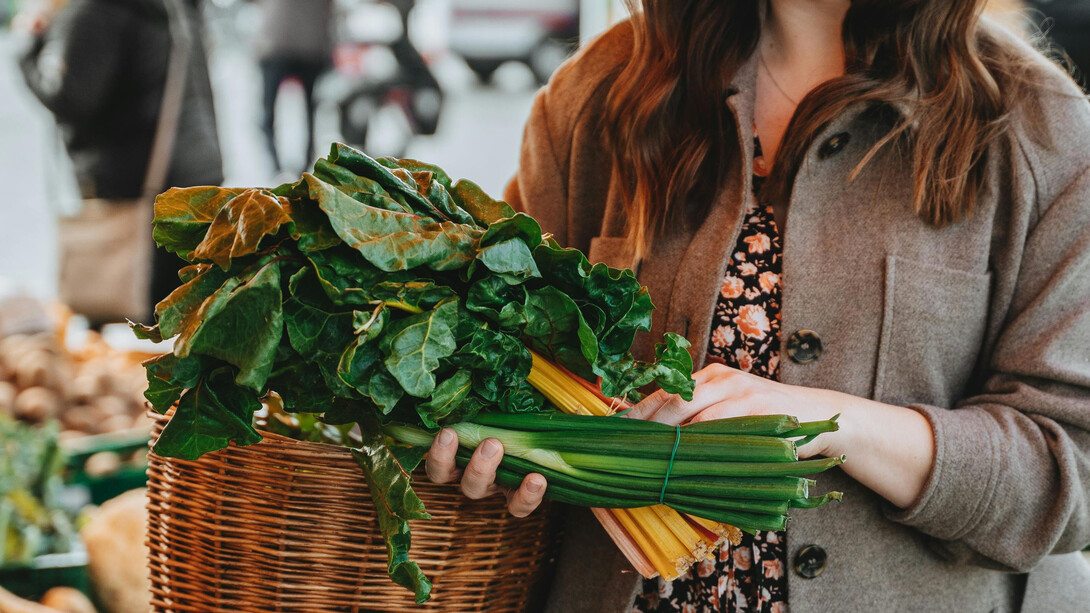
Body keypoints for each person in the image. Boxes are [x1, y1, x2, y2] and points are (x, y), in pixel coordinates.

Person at [426, 1, 1090, 611]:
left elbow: (1071, 470)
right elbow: (506, 354)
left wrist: (832, 424)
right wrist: (500, 463)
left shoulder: (1039, 130)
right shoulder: (597, 98)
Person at [17, 0, 224, 307]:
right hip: (195, 175)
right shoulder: (172, 6)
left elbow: (72, 98)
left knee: (129, 320)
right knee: (182, 314)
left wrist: (29, 48)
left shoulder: (93, 10)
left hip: (131, 186)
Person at [253, 0, 333, 177]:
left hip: (277, 43)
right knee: (310, 114)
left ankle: (276, 169)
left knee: (268, 115)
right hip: (310, 45)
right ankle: (303, 166)